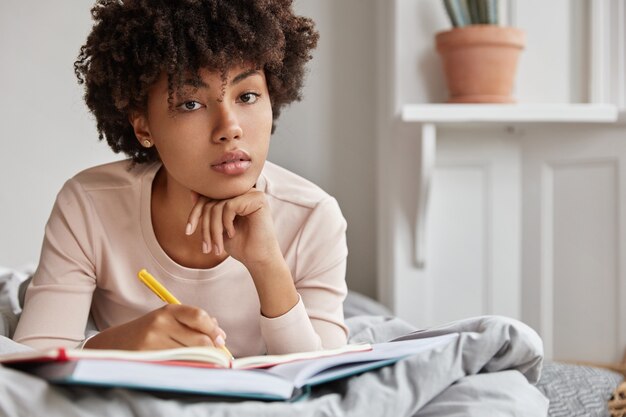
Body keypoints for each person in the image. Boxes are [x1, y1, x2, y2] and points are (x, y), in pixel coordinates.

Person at [13, 0, 349, 358]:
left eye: (247, 96)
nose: (230, 128)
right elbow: (33, 358)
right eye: (191, 104)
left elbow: (325, 379)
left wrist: (268, 266)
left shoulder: (314, 217)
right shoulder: (90, 204)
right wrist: (122, 345)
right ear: (143, 125)